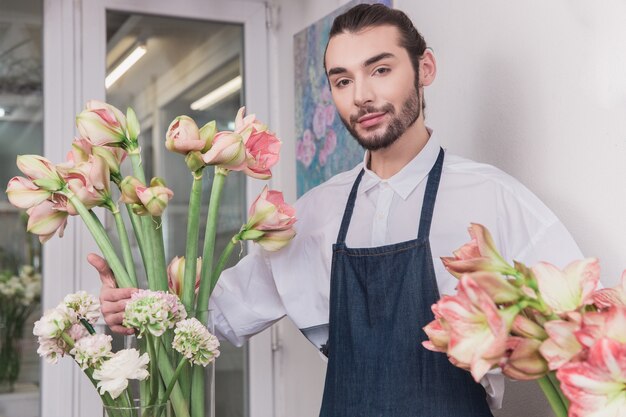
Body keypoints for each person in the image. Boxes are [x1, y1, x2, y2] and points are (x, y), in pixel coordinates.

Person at [94, 4, 583, 416]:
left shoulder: (493, 197)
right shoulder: (315, 213)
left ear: (425, 69)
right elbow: (216, 316)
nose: (362, 95)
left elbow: (582, 330)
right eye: (342, 80)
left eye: (381, 69)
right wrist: (135, 305)